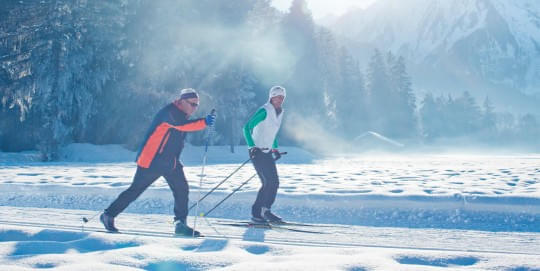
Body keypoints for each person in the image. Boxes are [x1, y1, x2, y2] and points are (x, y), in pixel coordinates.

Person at [100, 88, 215, 237]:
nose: (194, 108)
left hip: (170, 162)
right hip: (152, 160)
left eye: (196, 105)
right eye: (192, 104)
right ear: (182, 101)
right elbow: (182, 126)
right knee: (135, 190)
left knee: (182, 190)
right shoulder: (170, 112)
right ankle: (108, 215)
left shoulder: (182, 115)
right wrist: (204, 122)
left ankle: (180, 224)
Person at [243, 85, 286, 224]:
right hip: (257, 151)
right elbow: (246, 127)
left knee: (274, 182)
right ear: (271, 97)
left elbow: (271, 132)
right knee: (268, 182)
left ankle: (265, 210)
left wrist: (275, 149)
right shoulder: (265, 110)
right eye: (277, 97)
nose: (279, 100)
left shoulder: (279, 112)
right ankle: (257, 213)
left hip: (267, 151)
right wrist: (252, 146)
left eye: (281, 97)